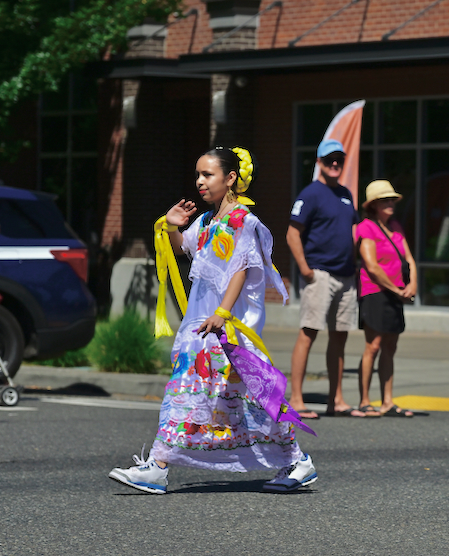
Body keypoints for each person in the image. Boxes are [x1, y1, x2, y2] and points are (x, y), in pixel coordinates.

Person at [110, 147, 316, 494]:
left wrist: (223, 313)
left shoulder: (243, 222)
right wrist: (172, 226)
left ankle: (295, 460)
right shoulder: (206, 222)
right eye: (198, 175)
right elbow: (182, 250)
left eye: (208, 175)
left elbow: (242, 267)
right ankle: (160, 466)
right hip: (202, 327)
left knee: (247, 397)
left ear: (230, 178)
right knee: (208, 395)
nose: (200, 182)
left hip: (228, 329)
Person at [286, 138, 360, 418]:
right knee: (308, 333)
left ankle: (336, 400)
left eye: (339, 159)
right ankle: (296, 399)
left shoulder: (345, 194)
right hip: (320, 274)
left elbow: (351, 232)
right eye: (329, 159)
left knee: (339, 339)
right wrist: (305, 270)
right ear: (319, 162)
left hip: (346, 276)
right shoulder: (311, 193)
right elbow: (292, 234)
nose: (335, 163)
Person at [355, 180, 418, 418]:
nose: (390, 204)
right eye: (385, 200)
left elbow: (410, 260)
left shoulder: (396, 227)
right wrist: (395, 288)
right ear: (373, 205)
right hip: (375, 292)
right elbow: (371, 266)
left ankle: (387, 402)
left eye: (392, 199)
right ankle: (364, 401)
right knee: (373, 345)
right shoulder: (367, 227)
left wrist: (412, 283)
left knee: (391, 346)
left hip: (396, 293)